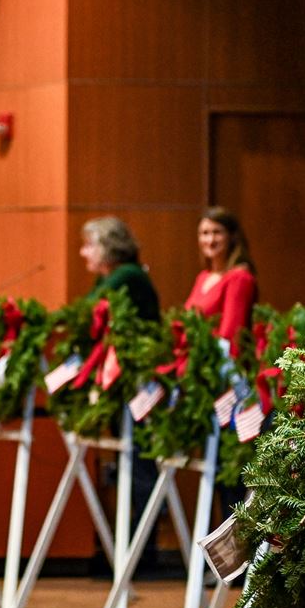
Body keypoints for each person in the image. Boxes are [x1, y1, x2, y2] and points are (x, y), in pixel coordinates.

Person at [79, 217, 166, 573]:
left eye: (89, 245)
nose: (84, 252)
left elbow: (84, 315)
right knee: (134, 465)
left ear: (107, 247)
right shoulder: (110, 278)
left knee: (141, 466)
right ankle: (132, 548)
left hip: (140, 387)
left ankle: (141, 551)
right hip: (126, 387)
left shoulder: (126, 277)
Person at [185, 206, 258, 355]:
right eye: (204, 233)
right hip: (195, 362)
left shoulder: (239, 278)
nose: (210, 240)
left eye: (217, 232)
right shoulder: (203, 276)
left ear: (231, 236)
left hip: (219, 367)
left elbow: (231, 338)